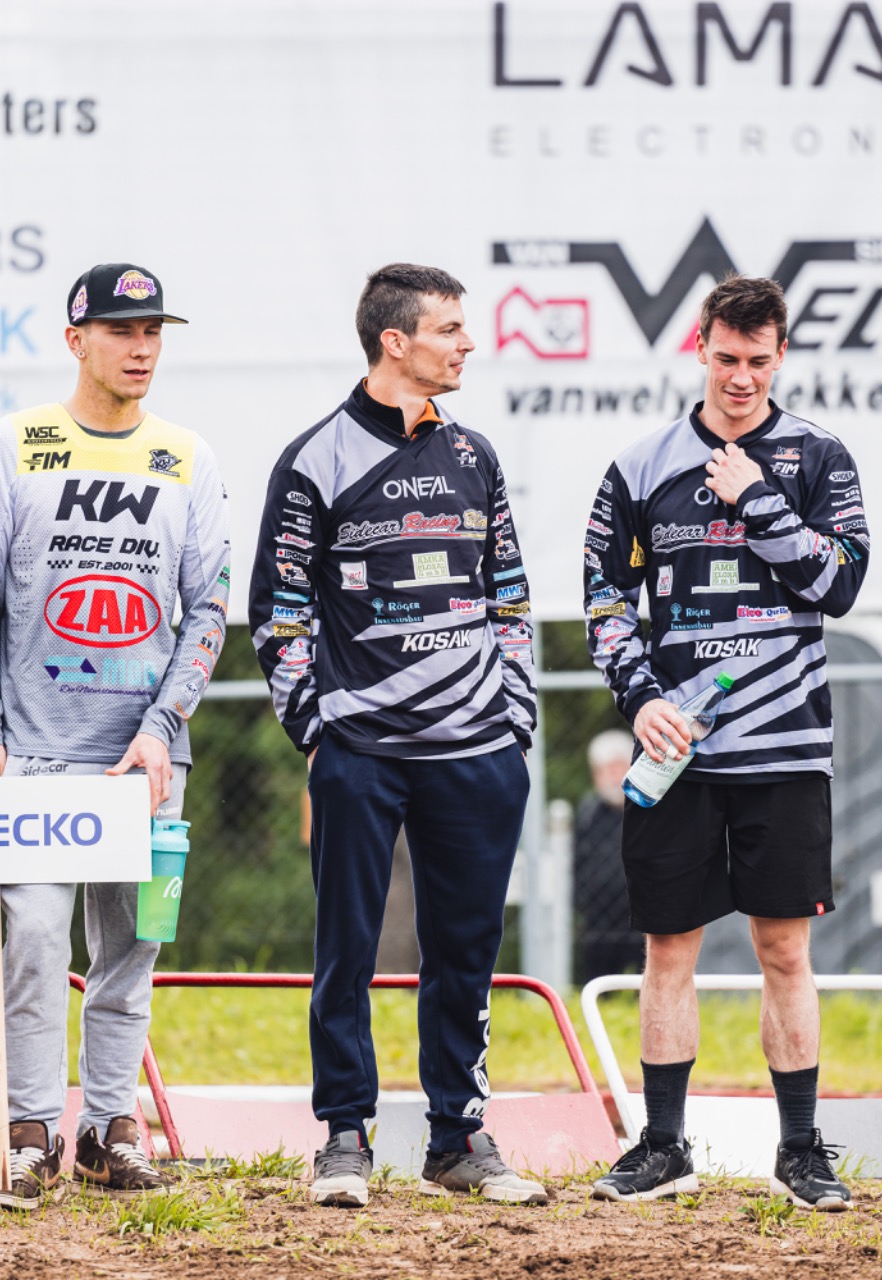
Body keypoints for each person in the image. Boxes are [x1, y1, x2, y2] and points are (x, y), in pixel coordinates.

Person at [252, 264, 543, 1208]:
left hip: (478, 752)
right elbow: (279, 614)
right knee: (347, 951)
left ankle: (459, 1139)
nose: (467, 344)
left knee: (465, 953)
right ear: (395, 341)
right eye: (450, 329)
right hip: (361, 753)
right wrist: (317, 729)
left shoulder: (475, 455)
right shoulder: (314, 459)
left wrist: (514, 717)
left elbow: (510, 597)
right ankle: (344, 1137)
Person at [583, 276, 871, 1210]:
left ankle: (801, 1150)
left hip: (786, 749)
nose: (741, 377)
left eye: (757, 360)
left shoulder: (819, 458)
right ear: (698, 348)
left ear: (781, 355)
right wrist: (640, 700)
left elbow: (839, 586)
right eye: (725, 358)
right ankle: (664, 1145)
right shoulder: (640, 468)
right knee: (668, 950)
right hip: (679, 754)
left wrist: (759, 502)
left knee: (784, 951)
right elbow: (604, 603)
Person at [0, 263, 231, 1208]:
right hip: (34, 751)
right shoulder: (13, 444)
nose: (141, 348)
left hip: (144, 759)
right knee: (34, 939)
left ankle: (112, 1129)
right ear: (76, 340)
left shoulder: (187, 456)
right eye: (120, 330)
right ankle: (31, 1129)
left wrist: (162, 729)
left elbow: (208, 610)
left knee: (131, 948)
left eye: (153, 331)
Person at [573, 729, 643, 981]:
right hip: (598, 920)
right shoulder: (589, 814)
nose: (611, 777)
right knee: (596, 977)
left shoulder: (648, 810)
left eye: (616, 767)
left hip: (643, 912)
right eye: (602, 770)